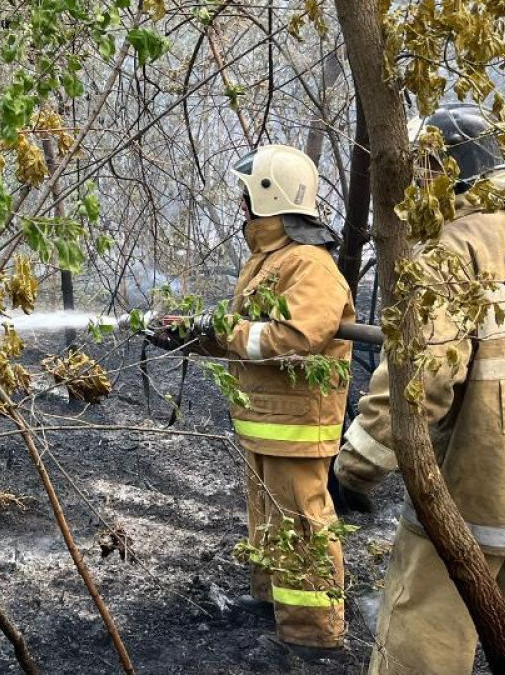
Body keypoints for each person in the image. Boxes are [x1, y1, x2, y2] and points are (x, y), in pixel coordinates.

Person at [335, 102, 505, 673]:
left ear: (444, 165)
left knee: (424, 620)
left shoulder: (456, 247)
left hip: (479, 481)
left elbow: (421, 373)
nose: (415, 185)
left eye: (421, 169)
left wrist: (358, 462)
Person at [150, 144, 355, 657]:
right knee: (268, 521)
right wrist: (189, 335)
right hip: (266, 422)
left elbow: (292, 337)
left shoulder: (310, 264)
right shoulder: (271, 259)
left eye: (248, 193)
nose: (242, 204)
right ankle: (275, 605)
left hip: (297, 425)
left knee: (302, 527)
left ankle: (312, 636)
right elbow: (248, 334)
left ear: (270, 196)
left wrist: (221, 326)